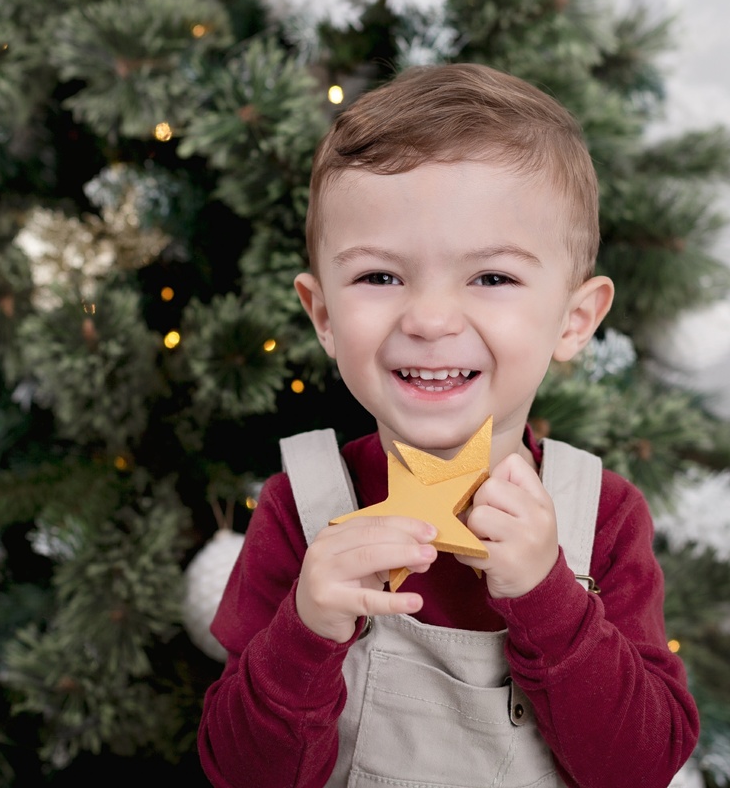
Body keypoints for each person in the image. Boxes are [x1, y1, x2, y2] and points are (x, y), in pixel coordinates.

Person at [198, 62, 699, 787]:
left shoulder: (602, 517)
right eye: (380, 276)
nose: (430, 319)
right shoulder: (301, 511)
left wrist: (547, 596)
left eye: (491, 277)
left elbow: (640, 767)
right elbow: (240, 773)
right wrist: (306, 629)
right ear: (325, 316)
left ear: (575, 318)